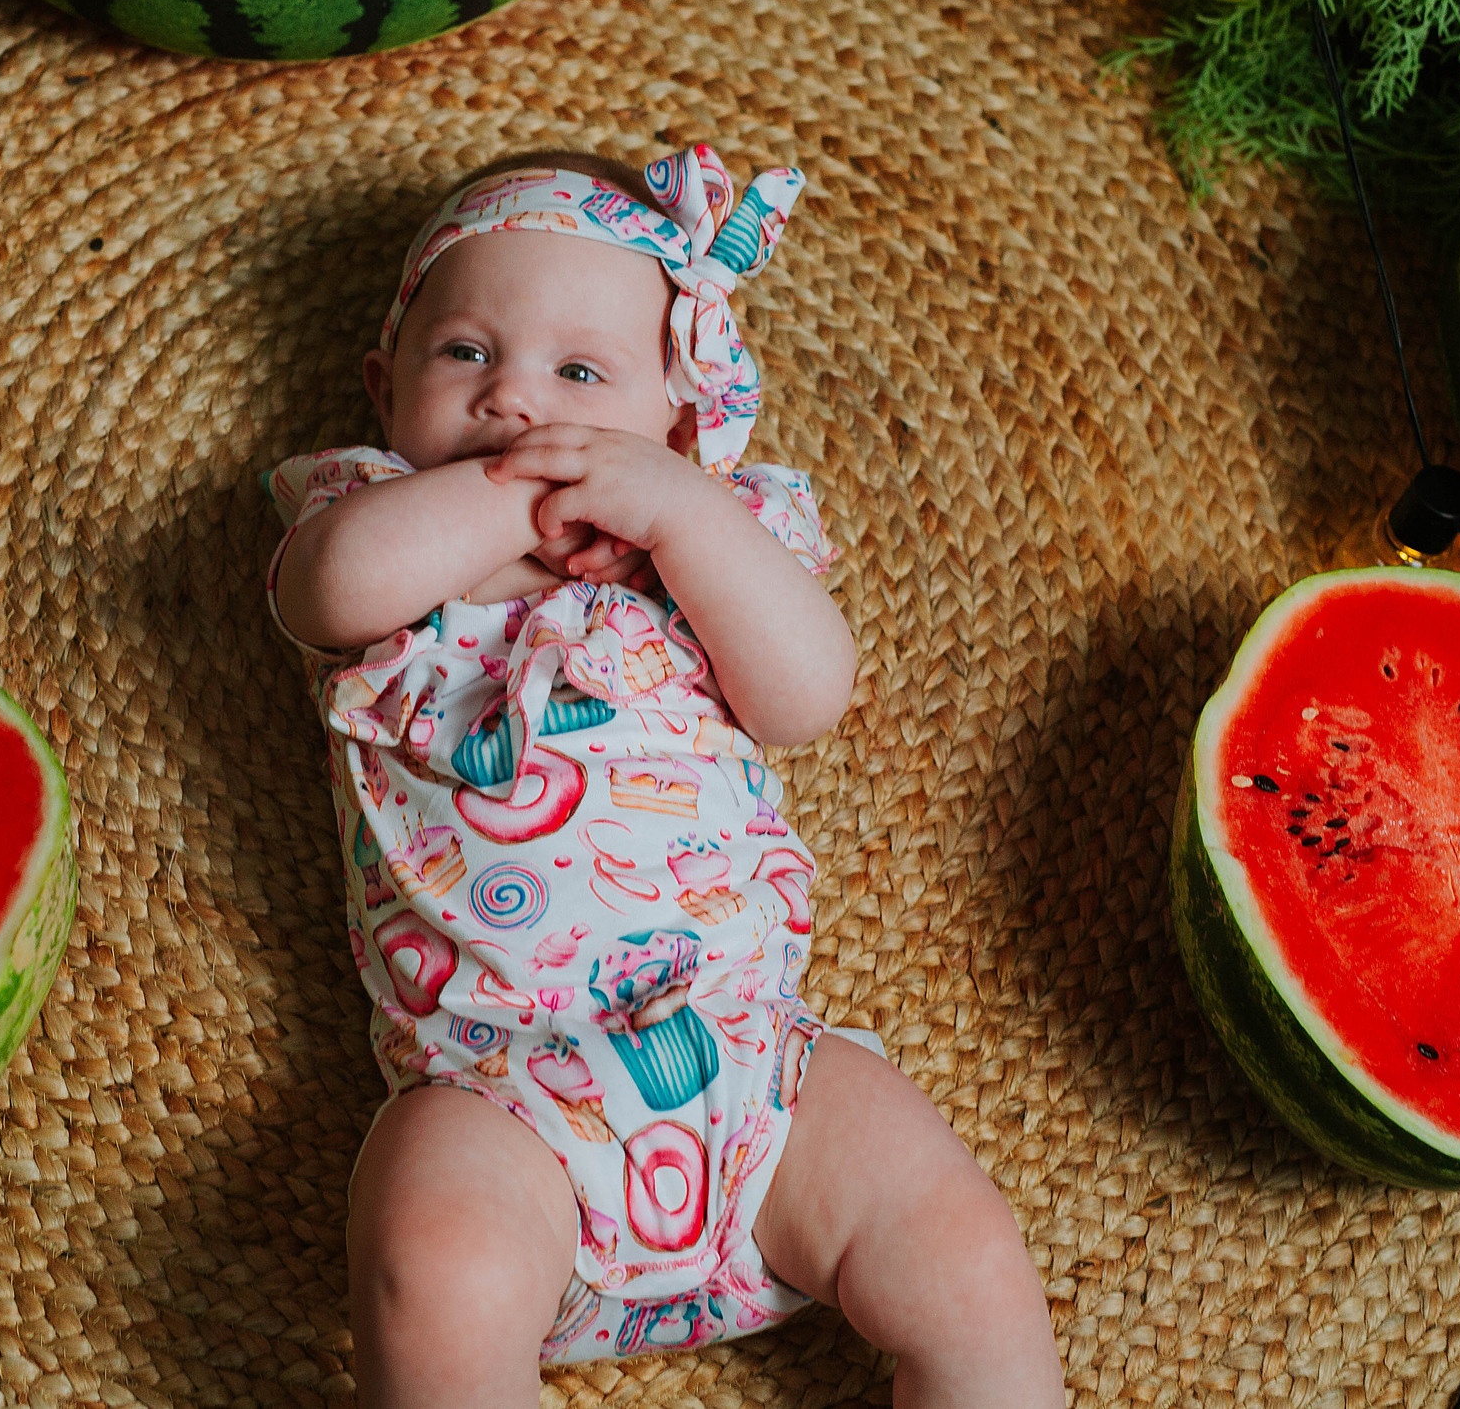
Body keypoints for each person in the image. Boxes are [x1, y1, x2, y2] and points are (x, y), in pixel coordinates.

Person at [265, 146, 1063, 1408]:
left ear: (683, 425)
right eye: (465, 354)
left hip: (753, 1069)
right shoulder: (384, 524)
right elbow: (327, 593)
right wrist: (498, 502)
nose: (517, 402)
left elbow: (807, 697)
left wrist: (686, 518)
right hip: (500, 1102)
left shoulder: (704, 547)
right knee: (428, 1264)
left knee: (961, 1250)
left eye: (580, 374)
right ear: (385, 387)